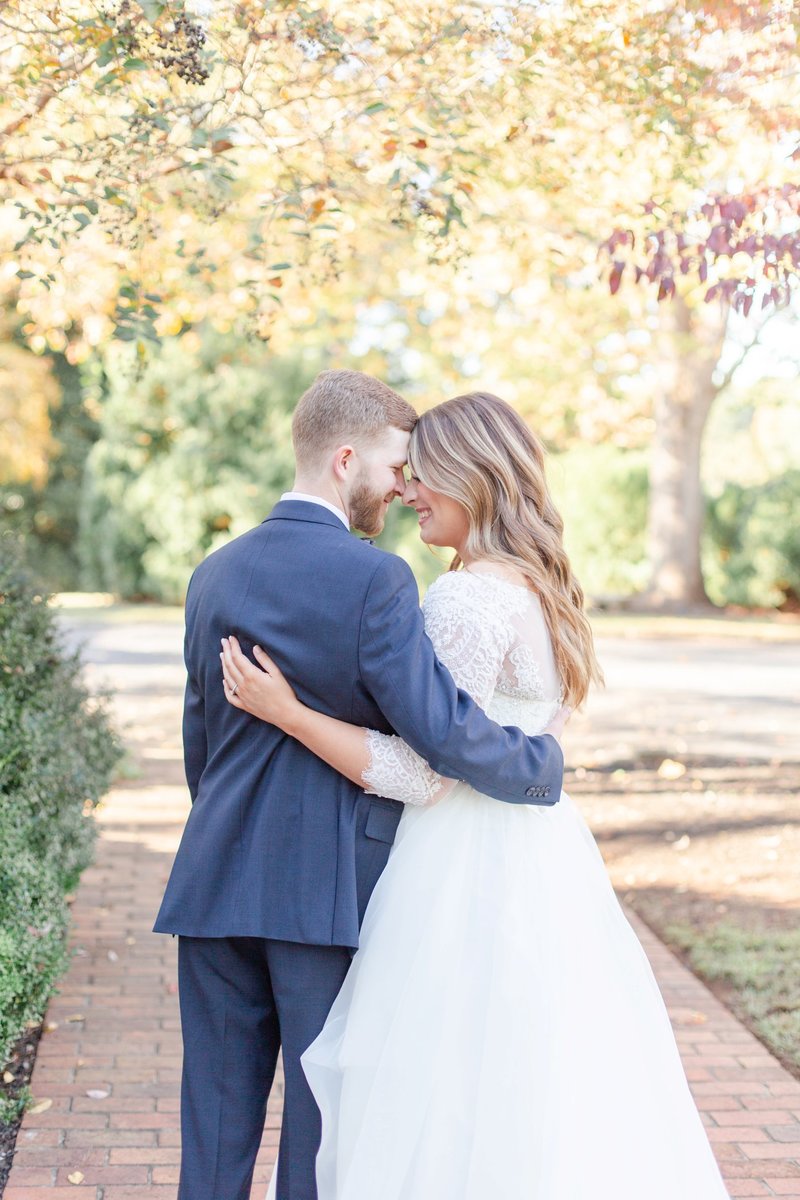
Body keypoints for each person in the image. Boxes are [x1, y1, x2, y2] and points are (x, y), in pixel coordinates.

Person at [221, 391, 731, 1200]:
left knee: (439, 1088)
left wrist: (290, 713)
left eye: (424, 476)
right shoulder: (540, 587)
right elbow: (538, 733)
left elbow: (425, 770)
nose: (409, 492)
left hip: (459, 864)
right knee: (534, 1082)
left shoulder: (466, 595)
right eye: (406, 472)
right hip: (543, 854)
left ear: (474, 478)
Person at [154, 371, 565, 1200]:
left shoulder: (213, 573)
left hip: (213, 887)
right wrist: (539, 764)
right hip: (325, 896)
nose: (402, 487)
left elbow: (202, 747)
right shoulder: (376, 580)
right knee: (321, 1136)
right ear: (347, 460)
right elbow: (439, 731)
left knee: (214, 1132)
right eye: (394, 466)